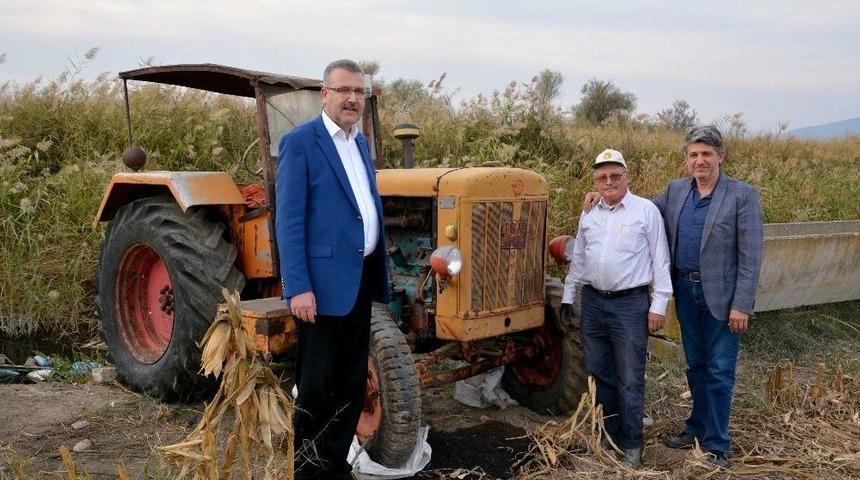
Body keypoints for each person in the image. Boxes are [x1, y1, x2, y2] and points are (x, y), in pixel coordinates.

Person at [582, 126, 764, 468]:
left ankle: (717, 444)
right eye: (694, 155)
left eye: (707, 154)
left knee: (720, 369)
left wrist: (742, 304)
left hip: (723, 298)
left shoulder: (742, 195)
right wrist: (604, 196)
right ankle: (695, 428)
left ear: (721, 156)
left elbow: (751, 256)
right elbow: (640, 212)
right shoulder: (677, 190)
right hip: (686, 290)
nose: (700, 161)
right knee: (695, 366)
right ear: (687, 159)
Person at [276, 59, 390, 480]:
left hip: (358, 281)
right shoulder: (301, 142)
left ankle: (335, 465)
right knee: (317, 388)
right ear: (324, 94)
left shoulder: (360, 144)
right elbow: (288, 222)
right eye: (344, 90)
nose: (352, 98)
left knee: (349, 382)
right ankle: (306, 471)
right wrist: (298, 287)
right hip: (320, 289)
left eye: (359, 92)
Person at [561, 148, 672, 469]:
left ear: (626, 176)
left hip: (630, 304)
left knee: (630, 376)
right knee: (598, 372)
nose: (608, 181)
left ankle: (633, 442)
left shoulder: (645, 211)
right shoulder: (590, 213)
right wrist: (569, 295)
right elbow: (579, 258)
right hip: (594, 302)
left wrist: (659, 304)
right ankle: (607, 433)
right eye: (602, 177)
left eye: (615, 175)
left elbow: (660, 259)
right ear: (595, 180)